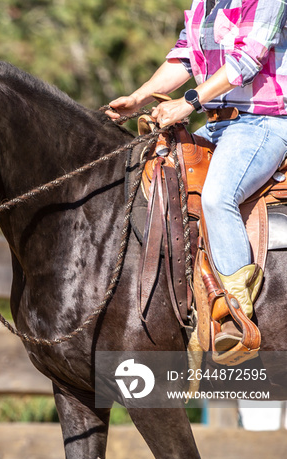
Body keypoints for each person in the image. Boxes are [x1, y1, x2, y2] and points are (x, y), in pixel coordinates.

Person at [106, 0, 287, 351]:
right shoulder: (204, 1)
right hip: (217, 124)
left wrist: (187, 103)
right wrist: (139, 97)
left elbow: (246, 61)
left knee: (218, 196)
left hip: (264, 123)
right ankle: (185, 311)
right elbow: (185, 56)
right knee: (160, 184)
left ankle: (234, 316)